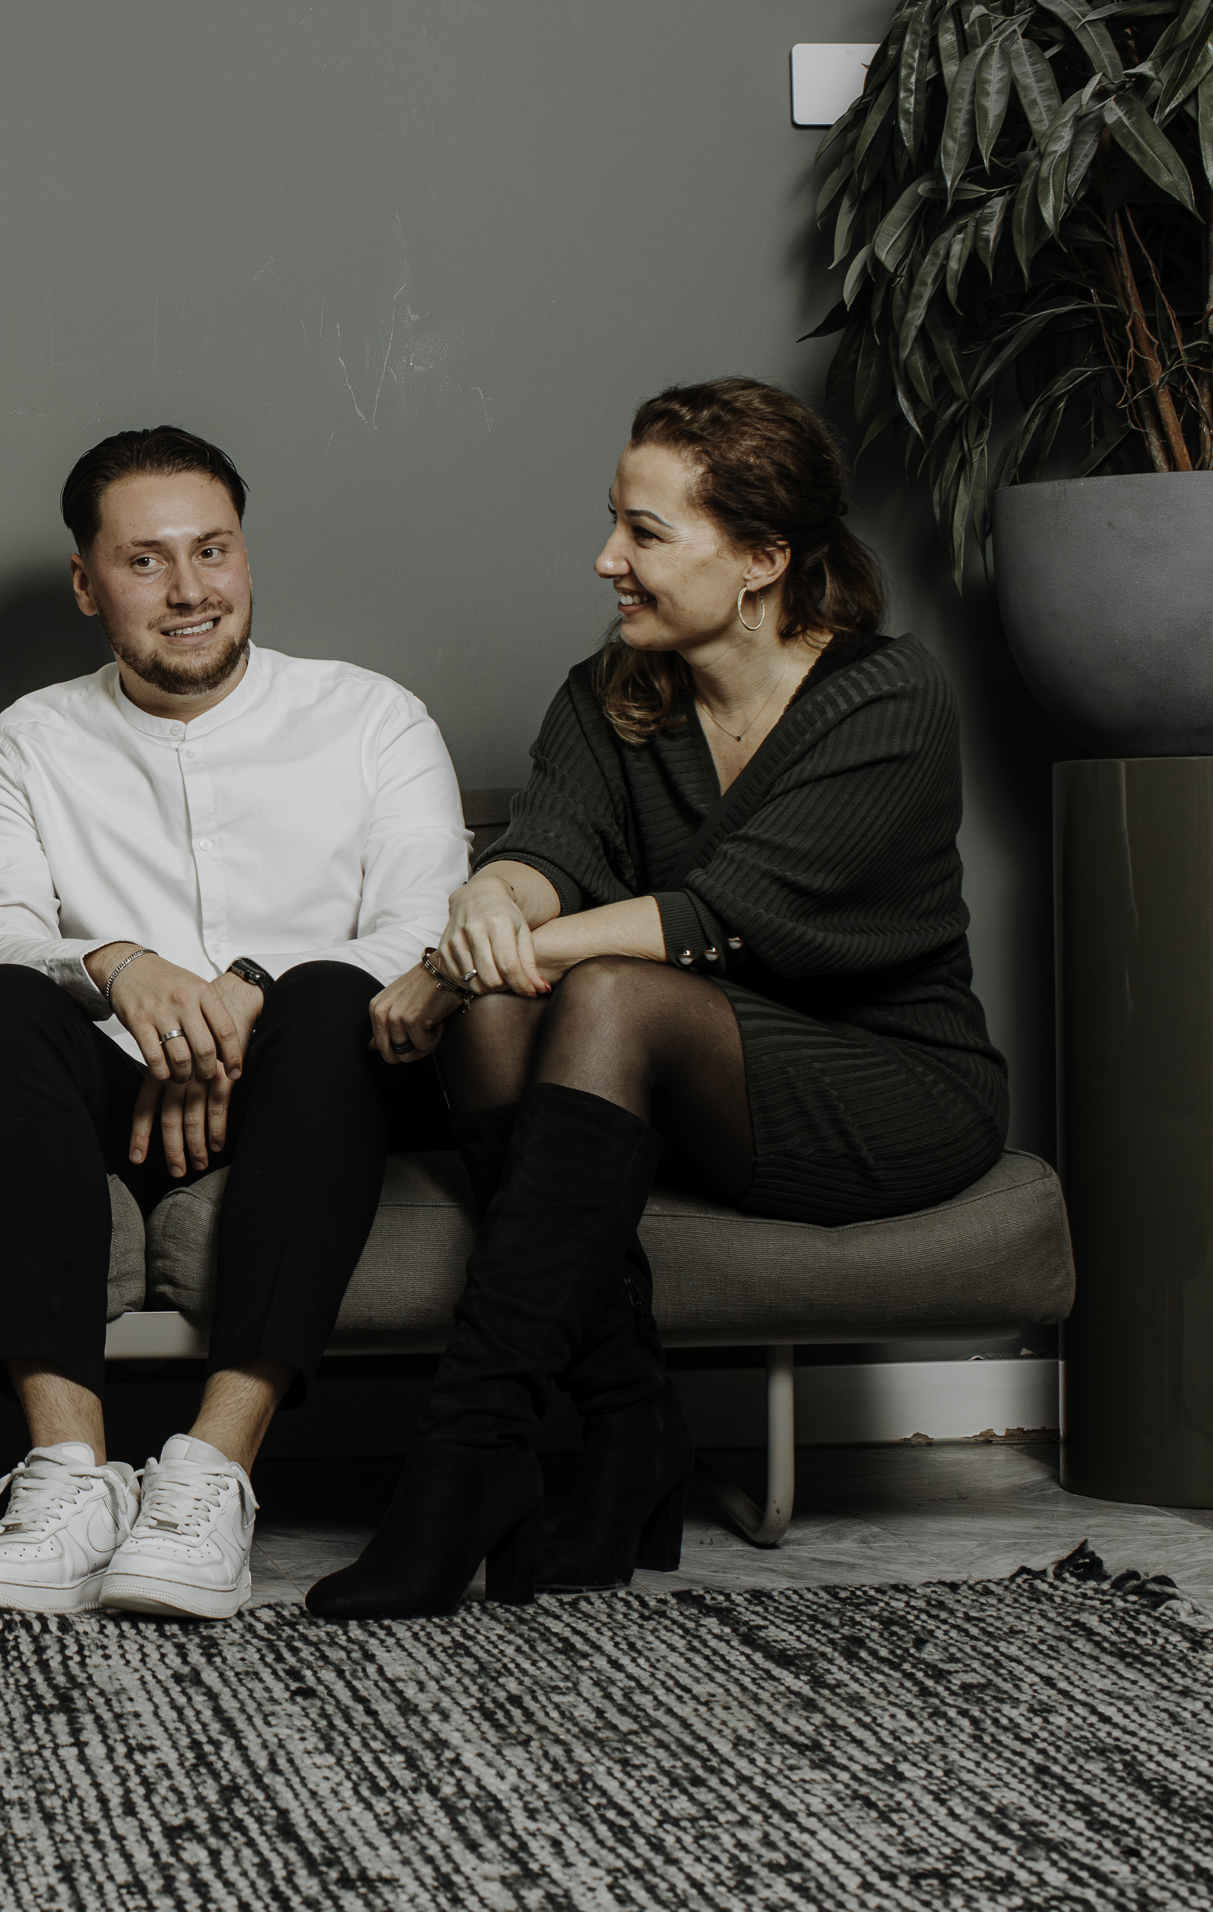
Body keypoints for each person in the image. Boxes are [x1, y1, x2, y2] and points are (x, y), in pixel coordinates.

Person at [310, 378, 1008, 1621]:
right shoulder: (612, 689)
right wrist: (489, 899)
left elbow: (712, 918)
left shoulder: (887, 698)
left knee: (606, 995)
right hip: (691, 1079)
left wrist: (442, 963)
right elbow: (548, 846)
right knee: (503, 1007)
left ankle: (462, 1458)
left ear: (759, 559)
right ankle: (627, 1426)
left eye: (643, 532)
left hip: (887, 1081)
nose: (605, 559)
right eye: (612, 523)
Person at [0, 425, 469, 1620]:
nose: (188, 590)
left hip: (320, 1080)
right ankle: (67, 1477)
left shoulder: (371, 717)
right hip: (115, 1097)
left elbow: (424, 931)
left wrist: (249, 994)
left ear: (244, 556)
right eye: (145, 561)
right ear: (86, 583)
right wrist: (116, 966)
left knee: (327, 995)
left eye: (211, 550)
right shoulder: (25, 741)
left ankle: (213, 1473)